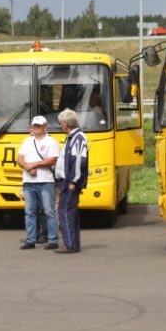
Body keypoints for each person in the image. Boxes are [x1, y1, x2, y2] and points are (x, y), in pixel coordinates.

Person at [18, 116, 61, 250]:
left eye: (39, 126)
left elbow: (52, 160)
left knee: (48, 211)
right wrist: (27, 168)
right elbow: (19, 159)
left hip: (45, 181)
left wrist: (34, 164)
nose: (36, 128)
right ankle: (31, 240)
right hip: (29, 182)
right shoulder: (27, 141)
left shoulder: (51, 142)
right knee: (30, 212)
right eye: (34, 125)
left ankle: (53, 239)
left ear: (45, 127)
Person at [55, 108, 89, 254]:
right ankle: (73, 243)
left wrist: (73, 181)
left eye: (61, 123)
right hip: (68, 181)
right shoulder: (73, 137)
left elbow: (79, 161)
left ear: (65, 123)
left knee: (65, 211)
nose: (60, 126)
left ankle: (69, 244)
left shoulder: (78, 138)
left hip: (70, 182)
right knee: (70, 212)